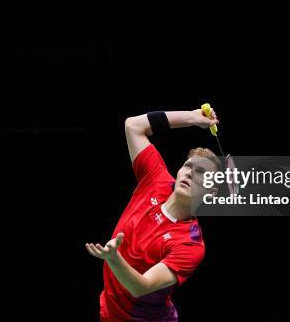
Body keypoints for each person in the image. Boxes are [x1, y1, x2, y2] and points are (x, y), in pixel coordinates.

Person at [86, 108, 221, 321]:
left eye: (201, 172)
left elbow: (141, 287)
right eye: (188, 166)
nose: (189, 173)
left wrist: (113, 258)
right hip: (110, 312)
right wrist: (192, 118)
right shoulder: (156, 179)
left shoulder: (190, 244)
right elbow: (133, 126)